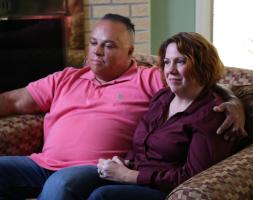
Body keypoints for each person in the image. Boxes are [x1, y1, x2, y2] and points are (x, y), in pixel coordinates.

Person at [0, 14, 245, 199]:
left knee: (62, 185)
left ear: (129, 51)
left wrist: (232, 101)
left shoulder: (148, 78)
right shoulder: (65, 78)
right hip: (41, 163)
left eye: (108, 45)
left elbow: (202, 81)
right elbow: (12, 101)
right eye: (94, 42)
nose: (97, 51)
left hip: (95, 168)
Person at [87, 32, 239, 200]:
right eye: (167, 62)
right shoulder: (163, 97)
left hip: (166, 191)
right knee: (73, 183)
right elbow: (141, 147)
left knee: (102, 196)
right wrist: (125, 163)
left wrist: (128, 176)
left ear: (203, 65)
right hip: (137, 174)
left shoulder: (212, 115)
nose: (171, 70)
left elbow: (194, 177)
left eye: (180, 61)